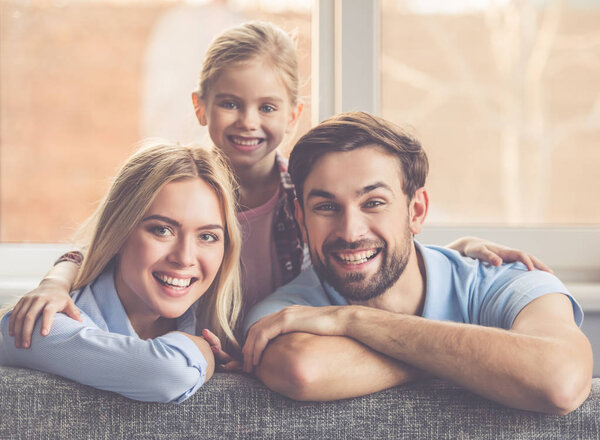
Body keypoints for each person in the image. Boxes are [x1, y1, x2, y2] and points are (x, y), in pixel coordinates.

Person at [9, 22, 549, 348]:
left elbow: (360, 244)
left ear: (293, 115)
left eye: (267, 107)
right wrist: (58, 281)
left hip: (276, 341)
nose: (248, 122)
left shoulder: (307, 196)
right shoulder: (180, 185)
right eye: (230, 103)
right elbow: (101, 240)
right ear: (200, 107)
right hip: (198, 344)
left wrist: (454, 250)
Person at [242, 112, 593, 415]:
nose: (350, 232)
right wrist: (476, 361)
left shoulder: (506, 278)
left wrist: (350, 320)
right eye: (326, 207)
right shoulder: (285, 309)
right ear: (301, 219)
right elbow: (302, 370)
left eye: (374, 202)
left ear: (417, 210)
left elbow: (561, 380)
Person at [0, 143, 242, 403]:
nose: (184, 258)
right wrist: (201, 352)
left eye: (207, 236)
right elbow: (169, 373)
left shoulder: (220, 325)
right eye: (162, 230)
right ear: (119, 233)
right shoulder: (40, 322)